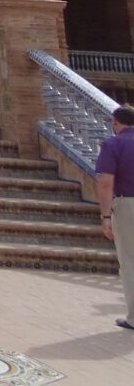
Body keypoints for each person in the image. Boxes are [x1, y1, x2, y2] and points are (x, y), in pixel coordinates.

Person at [94, 104, 134, 332]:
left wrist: (105, 216)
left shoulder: (114, 144)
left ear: (116, 122)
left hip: (128, 203)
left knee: (130, 261)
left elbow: (106, 182)